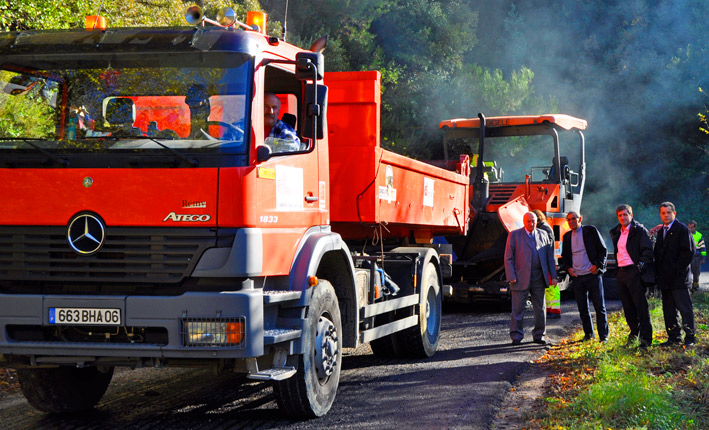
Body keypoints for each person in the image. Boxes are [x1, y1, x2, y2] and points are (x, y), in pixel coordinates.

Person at [504, 211, 558, 346]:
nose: (531, 224)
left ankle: (539, 335)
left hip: (538, 277)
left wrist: (554, 276)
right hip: (520, 278)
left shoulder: (543, 234)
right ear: (524, 222)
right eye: (528, 221)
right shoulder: (514, 235)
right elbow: (508, 258)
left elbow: (550, 257)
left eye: (533, 221)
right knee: (518, 309)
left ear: (536, 221)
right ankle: (516, 336)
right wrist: (511, 276)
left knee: (540, 308)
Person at [609, 204, 654, 348]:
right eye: (620, 215)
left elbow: (648, 251)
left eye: (625, 214)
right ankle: (634, 336)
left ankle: (645, 341)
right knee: (628, 308)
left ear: (631, 215)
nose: (623, 217)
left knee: (641, 307)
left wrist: (639, 267)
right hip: (621, 273)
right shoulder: (617, 232)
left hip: (634, 272)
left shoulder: (639, 230)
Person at [560, 211, 609, 342]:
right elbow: (564, 256)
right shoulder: (567, 236)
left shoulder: (590, 231)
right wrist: (568, 268)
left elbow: (602, 249)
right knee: (583, 309)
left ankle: (603, 336)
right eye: (569, 220)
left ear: (580, 218)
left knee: (600, 307)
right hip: (577, 277)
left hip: (592, 275)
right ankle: (588, 335)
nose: (571, 222)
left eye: (574, 219)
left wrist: (597, 266)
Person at [654, 202, 697, 347]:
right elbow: (658, 254)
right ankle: (674, 337)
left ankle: (690, 338)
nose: (666, 215)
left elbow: (688, 253)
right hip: (665, 280)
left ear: (674, 213)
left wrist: (675, 271)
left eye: (668, 212)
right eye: (663, 213)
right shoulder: (661, 232)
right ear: (660, 215)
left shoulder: (682, 229)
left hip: (679, 279)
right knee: (669, 310)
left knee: (685, 309)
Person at [532, 209, 561, 319]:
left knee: (551, 287)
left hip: (548, 262)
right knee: (548, 288)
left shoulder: (544, 228)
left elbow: (548, 247)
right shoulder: (544, 226)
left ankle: (555, 311)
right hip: (547, 262)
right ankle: (550, 310)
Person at [688, 220, 706, 292]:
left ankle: (695, 287)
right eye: (689, 227)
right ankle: (688, 287)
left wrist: (703, 257)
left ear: (695, 227)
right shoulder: (686, 234)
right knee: (687, 272)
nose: (690, 229)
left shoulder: (699, 235)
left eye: (691, 227)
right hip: (688, 256)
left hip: (696, 257)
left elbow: (703, 247)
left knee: (696, 272)